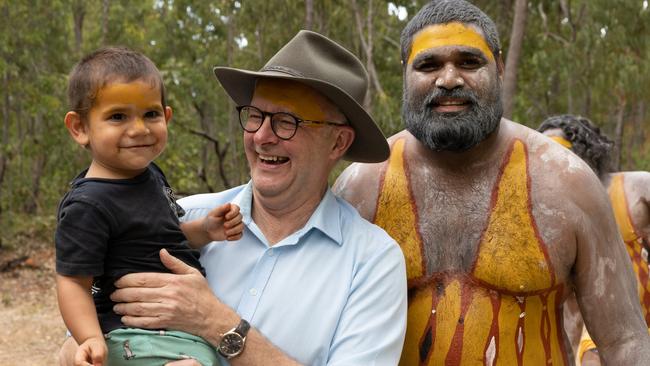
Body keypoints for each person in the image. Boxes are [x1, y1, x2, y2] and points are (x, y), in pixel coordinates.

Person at [61, 31, 408, 366]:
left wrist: (216, 322)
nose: (262, 136)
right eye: (255, 116)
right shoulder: (184, 216)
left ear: (338, 143)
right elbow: (74, 343)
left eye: (286, 121)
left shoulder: (371, 263)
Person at [332, 0, 650, 364]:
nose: (449, 79)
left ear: (498, 68)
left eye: (469, 62)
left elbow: (626, 342)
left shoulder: (568, 185)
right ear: (405, 73)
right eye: (428, 64)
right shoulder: (360, 189)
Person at [56, 47, 244, 366]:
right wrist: (88, 338)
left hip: (184, 333)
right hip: (130, 333)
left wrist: (205, 230)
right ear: (80, 128)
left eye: (151, 114)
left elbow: (164, 237)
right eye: (118, 116)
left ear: (166, 116)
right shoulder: (88, 204)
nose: (139, 129)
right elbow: (73, 281)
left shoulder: (150, 175)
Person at [539, 114, 650, 365]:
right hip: (598, 340)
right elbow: (569, 311)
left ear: (585, 148)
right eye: (543, 152)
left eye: (560, 150)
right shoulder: (554, 218)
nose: (550, 160)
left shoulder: (635, 187)